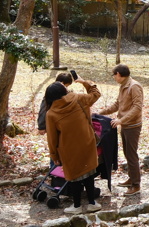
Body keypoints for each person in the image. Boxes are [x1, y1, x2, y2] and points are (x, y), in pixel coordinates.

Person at [44, 79, 102, 214]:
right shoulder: (78, 98)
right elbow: (96, 94)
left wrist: (54, 155)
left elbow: (52, 138)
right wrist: (85, 82)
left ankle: (76, 206)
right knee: (88, 172)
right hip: (87, 142)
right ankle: (92, 203)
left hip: (69, 148)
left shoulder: (51, 113)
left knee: (74, 176)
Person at [98, 64, 144, 195]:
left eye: (114, 75)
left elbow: (137, 107)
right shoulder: (123, 86)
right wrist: (101, 112)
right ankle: (132, 178)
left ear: (118, 74)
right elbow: (117, 104)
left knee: (131, 154)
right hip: (125, 125)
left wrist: (121, 120)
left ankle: (136, 185)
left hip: (132, 126)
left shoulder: (134, 86)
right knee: (127, 153)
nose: (114, 77)